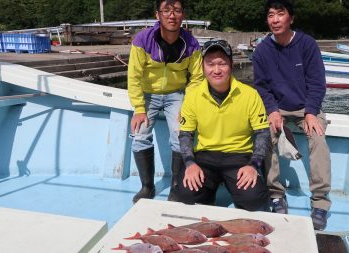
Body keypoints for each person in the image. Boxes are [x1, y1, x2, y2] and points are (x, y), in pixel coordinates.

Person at [253, 0, 331, 230]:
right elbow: (261, 86)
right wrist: (272, 110)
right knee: (266, 136)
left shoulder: (307, 45)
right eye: (270, 15)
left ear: (291, 18)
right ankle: (276, 194)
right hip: (277, 107)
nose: (275, 20)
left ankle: (320, 202)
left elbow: (317, 83)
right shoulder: (262, 51)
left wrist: (310, 112)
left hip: (306, 105)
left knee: (317, 138)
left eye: (280, 14)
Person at [177, 40, 271, 211]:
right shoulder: (192, 96)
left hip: (239, 157)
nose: (217, 70)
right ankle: (207, 196)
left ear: (231, 64)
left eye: (222, 63)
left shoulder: (250, 95)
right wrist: (190, 164)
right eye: (211, 64)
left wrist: (253, 165)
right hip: (205, 156)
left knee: (255, 199)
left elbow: (262, 133)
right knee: (185, 194)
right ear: (203, 66)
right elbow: (185, 135)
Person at [128, 0, 203, 203]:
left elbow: (197, 78)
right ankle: (147, 187)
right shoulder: (143, 39)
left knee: (181, 134)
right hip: (147, 93)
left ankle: (176, 188)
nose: (172, 15)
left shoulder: (191, 43)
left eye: (177, 11)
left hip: (176, 94)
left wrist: (187, 106)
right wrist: (139, 108)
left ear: (182, 15)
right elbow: (134, 76)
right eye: (166, 11)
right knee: (140, 134)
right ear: (157, 15)